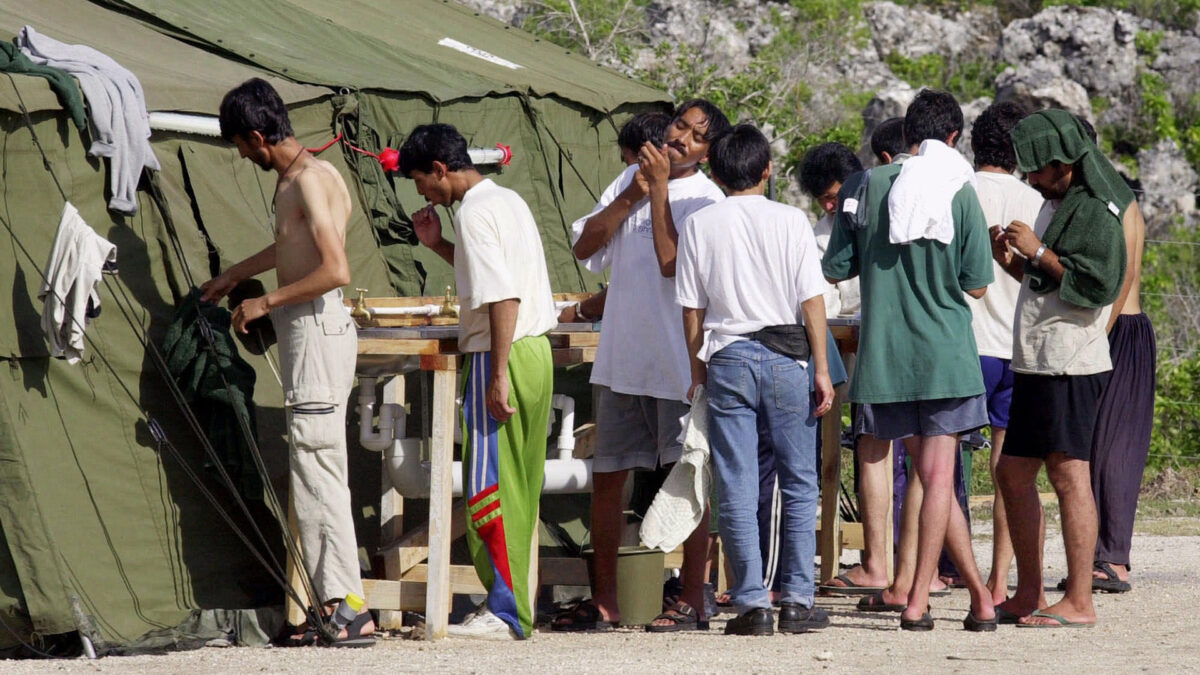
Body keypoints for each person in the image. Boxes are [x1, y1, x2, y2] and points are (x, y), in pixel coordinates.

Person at [201, 78, 374, 647]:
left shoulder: (306, 182)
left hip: (318, 333)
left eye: (242, 146)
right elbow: (292, 245)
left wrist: (265, 301)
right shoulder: (311, 177)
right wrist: (233, 275)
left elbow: (335, 269)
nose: (243, 156)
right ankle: (336, 602)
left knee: (319, 470)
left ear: (256, 135)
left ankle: (348, 606)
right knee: (314, 469)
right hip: (314, 334)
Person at [553, 100, 730, 633]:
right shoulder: (628, 177)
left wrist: (655, 193)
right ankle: (605, 601)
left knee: (689, 476)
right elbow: (585, 246)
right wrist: (634, 190)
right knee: (608, 478)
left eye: (696, 136)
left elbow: (673, 264)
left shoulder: (707, 199)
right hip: (622, 358)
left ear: (707, 153)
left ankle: (693, 597)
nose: (681, 138)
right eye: (680, 125)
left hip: (680, 362)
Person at [824, 89, 997, 631]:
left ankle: (963, 598)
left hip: (884, 356)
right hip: (945, 355)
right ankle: (931, 596)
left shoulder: (865, 187)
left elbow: (836, 269)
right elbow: (977, 286)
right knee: (938, 477)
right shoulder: (960, 191)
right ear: (952, 139)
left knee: (916, 472)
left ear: (905, 138)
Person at [400, 124, 558, 640]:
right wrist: (438, 244)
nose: (423, 192)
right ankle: (513, 606)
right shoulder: (506, 199)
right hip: (536, 353)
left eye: (423, 181)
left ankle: (506, 611)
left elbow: (501, 298)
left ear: (441, 170)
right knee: (521, 485)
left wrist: (495, 375)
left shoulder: (472, 213)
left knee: (489, 486)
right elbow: (494, 278)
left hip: (502, 352)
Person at [676, 123, 834, 636]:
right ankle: (797, 598)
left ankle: (751, 604)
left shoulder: (701, 223)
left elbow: (692, 309)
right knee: (799, 479)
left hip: (728, 356)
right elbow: (812, 300)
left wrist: (697, 370)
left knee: (737, 482)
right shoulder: (791, 219)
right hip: (789, 356)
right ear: (767, 170)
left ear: (716, 173)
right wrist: (823, 369)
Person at [996, 109, 1131, 627]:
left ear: (1063, 163)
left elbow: (1098, 284)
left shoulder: (1096, 209)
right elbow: (1048, 279)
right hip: (1038, 359)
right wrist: (1014, 259)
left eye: (1035, 169)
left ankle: (1079, 600)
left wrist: (1040, 249)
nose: (1029, 178)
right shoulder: (1061, 201)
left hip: (1071, 361)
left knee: (1070, 474)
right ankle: (1029, 590)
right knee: (1012, 470)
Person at [964, 101, 1046, 604]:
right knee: (1008, 474)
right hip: (1016, 344)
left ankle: (943, 570)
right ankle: (999, 579)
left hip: (965, 343)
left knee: (942, 464)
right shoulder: (1034, 200)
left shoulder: (959, 192)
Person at [1074, 120, 1156, 594]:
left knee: (1113, 452)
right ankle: (1101, 556)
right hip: (1115, 330)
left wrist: (1097, 335)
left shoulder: (1114, 199)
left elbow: (1119, 278)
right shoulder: (1109, 195)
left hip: (1119, 330)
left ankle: (1114, 559)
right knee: (1097, 448)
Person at [559, 111, 671, 325]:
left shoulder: (700, 196)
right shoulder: (629, 180)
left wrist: (583, 311)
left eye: (628, 160)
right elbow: (583, 248)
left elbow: (646, 280)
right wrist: (628, 197)